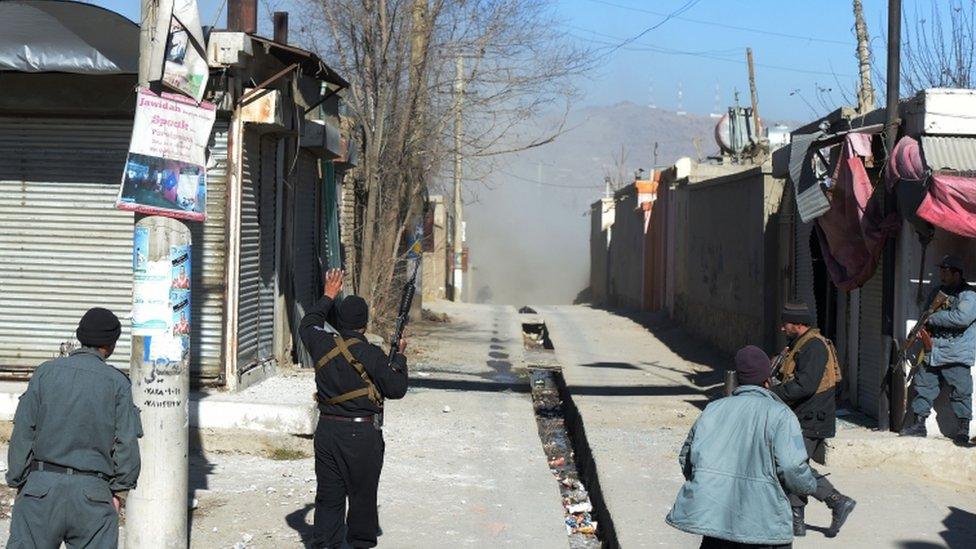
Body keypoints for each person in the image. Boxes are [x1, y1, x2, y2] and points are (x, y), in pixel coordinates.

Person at [6, 307, 142, 548]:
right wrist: (119, 492)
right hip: (94, 497)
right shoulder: (118, 384)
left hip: (40, 490)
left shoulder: (45, 373)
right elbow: (126, 444)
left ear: (80, 337)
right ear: (111, 345)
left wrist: (19, 481)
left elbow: (23, 432)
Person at [667, 346, 817, 549]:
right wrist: (809, 486)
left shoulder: (713, 410)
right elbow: (792, 467)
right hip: (763, 525)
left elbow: (686, 456)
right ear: (768, 381)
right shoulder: (781, 415)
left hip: (716, 522)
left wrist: (706, 483)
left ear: (737, 379)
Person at [300, 269, 409, 548]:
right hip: (362, 435)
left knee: (328, 497)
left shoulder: (321, 343)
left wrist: (328, 295)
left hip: (327, 432)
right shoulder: (372, 354)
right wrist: (400, 359)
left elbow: (308, 323)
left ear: (338, 321)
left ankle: (325, 543)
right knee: (362, 499)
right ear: (364, 323)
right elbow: (396, 389)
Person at [772, 302, 855, 538]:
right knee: (795, 466)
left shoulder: (814, 347)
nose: (782, 328)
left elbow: (804, 386)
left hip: (810, 421)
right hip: (802, 418)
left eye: (785, 323)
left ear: (798, 325)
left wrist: (773, 393)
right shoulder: (800, 345)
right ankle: (797, 521)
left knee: (793, 467)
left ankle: (836, 501)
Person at [901, 254, 976, 446]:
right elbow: (925, 315)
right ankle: (918, 425)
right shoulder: (937, 292)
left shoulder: (968, 295)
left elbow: (962, 318)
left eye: (945, 271)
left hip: (956, 353)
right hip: (932, 351)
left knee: (961, 392)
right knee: (923, 387)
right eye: (941, 270)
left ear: (956, 273)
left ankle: (963, 430)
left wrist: (933, 319)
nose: (941, 274)